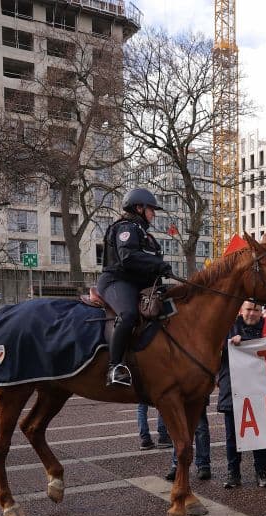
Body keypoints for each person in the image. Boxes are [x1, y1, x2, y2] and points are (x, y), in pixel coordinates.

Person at [98, 187, 173, 387]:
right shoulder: (126, 228)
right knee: (129, 314)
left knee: (169, 308)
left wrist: (160, 272)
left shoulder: (147, 236)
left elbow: (149, 263)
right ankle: (115, 367)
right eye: (151, 209)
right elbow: (128, 257)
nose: (153, 214)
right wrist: (158, 265)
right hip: (116, 281)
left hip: (138, 283)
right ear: (139, 208)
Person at [219, 300, 266, 488]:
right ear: (240, 310)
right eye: (249, 309)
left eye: (256, 310)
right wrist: (226, 343)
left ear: (261, 312)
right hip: (233, 390)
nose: (252, 313)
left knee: (261, 434)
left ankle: (261, 471)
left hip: (260, 391)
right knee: (232, 436)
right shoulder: (227, 326)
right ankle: (233, 473)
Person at [164, 400, 212, 481]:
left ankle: (203, 464)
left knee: (199, 426)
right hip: (178, 393)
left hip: (198, 393)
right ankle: (180, 464)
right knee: (180, 427)